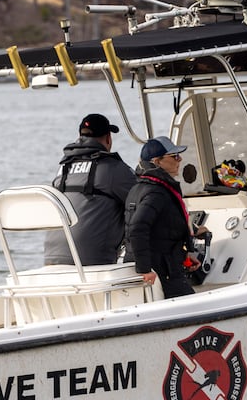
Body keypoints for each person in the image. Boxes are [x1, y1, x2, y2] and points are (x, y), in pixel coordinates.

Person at [124, 136, 211, 299]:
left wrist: (185, 255)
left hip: (166, 265)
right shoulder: (157, 192)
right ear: (157, 162)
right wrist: (145, 269)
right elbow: (137, 229)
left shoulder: (139, 188)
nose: (180, 159)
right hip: (163, 272)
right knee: (195, 309)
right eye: (174, 156)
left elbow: (164, 228)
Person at [44, 112, 136, 265]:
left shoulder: (63, 169)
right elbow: (146, 200)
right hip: (92, 260)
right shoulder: (113, 169)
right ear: (108, 138)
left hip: (51, 258)